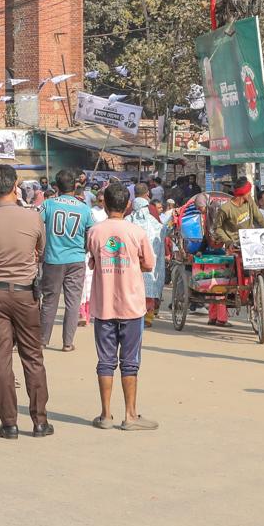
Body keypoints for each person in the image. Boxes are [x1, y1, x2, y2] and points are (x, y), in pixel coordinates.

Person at [0, 163, 51, 439]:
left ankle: (9, 423)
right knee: (33, 357)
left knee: (1, 359)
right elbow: (40, 250)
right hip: (25, 293)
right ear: (15, 184)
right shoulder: (33, 218)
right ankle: (40, 421)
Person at [85, 182, 157, 430]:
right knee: (130, 362)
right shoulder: (136, 233)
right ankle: (130, 415)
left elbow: (92, 262)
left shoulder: (94, 232)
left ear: (104, 203)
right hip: (131, 305)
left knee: (105, 361)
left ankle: (105, 415)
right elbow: (149, 264)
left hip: (104, 305)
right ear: (127, 204)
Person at [39, 169, 92, 350]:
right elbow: (90, 232)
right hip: (76, 259)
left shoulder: (49, 205)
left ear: (56, 186)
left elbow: (36, 225)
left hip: (53, 258)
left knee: (49, 300)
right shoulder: (84, 208)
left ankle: (43, 340)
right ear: (75, 186)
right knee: (73, 301)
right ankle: (67, 343)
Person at [206, 180, 261, 326]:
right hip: (233, 246)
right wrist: (228, 240)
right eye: (249, 192)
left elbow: (260, 219)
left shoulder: (250, 204)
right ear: (244, 193)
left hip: (249, 244)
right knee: (225, 281)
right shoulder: (226, 208)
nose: (250, 194)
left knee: (254, 273)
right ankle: (218, 316)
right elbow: (217, 228)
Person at [126, 195, 166, 325]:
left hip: (133, 262)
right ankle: (147, 316)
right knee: (148, 289)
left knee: (133, 288)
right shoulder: (153, 221)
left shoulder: (128, 220)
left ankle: (136, 315)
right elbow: (163, 231)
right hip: (149, 262)